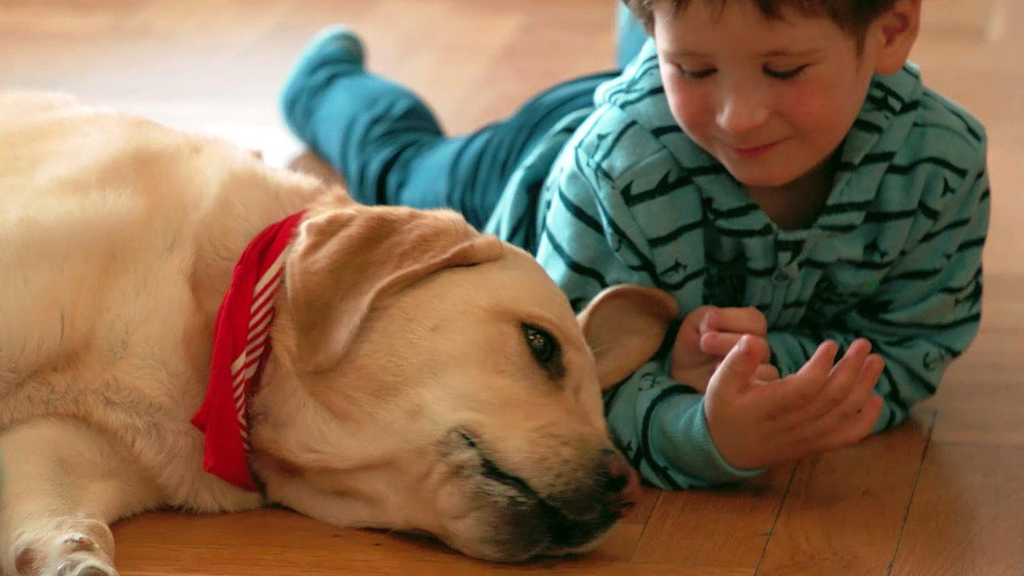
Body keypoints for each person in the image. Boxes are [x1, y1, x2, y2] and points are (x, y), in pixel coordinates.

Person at [279, 0, 989, 489]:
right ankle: (322, 85)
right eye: (696, 68)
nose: (740, 118)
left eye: (783, 70)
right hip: (530, 166)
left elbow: (910, 344)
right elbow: (570, 382)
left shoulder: (940, 162)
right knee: (402, 164)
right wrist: (707, 434)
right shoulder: (616, 169)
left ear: (892, 29)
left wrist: (761, 373)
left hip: (659, 115)